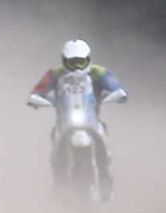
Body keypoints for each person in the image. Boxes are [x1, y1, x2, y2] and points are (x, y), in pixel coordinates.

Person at [28, 39, 127, 201]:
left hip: (92, 119)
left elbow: (117, 87)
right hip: (65, 121)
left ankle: (105, 180)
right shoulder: (54, 74)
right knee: (55, 150)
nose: (77, 68)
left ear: (88, 59)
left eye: (81, 63)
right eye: (72, 63)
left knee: (106, 149)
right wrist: (37, 99)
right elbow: (38, 91)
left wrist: (116, 95)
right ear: (64, 61)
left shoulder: (99, 72)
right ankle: (58, 184)